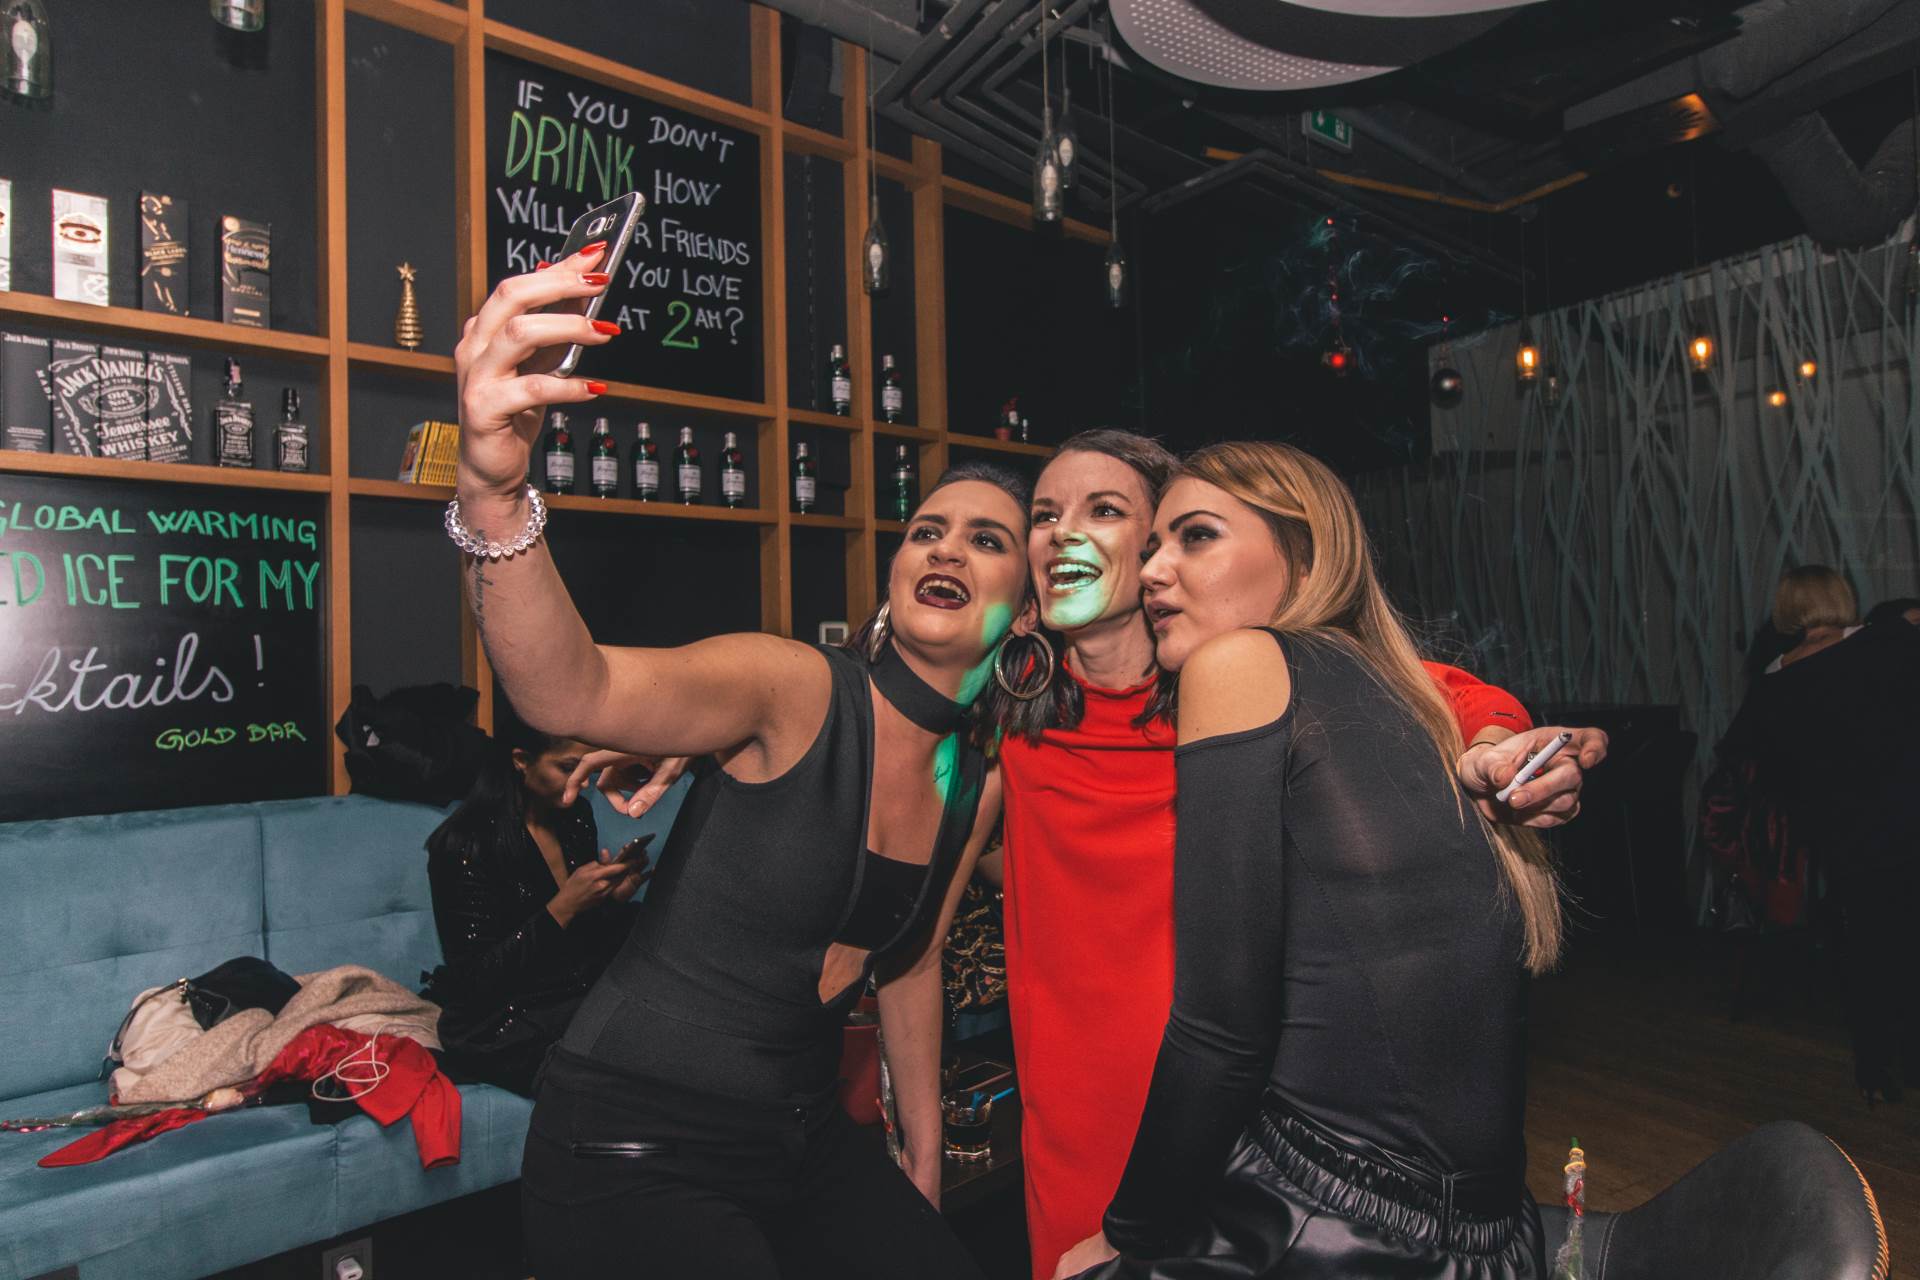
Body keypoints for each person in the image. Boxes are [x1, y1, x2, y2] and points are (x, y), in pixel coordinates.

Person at [452, 242, 1029, 1279]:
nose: (946, 547)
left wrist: (922, 1150)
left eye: (988, 541)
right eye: (927, 530)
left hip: (803, 1137)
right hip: (635, 1140)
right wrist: (493, 492)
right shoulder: (793, 686)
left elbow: (908, 962)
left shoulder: (974, 785)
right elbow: (569, 690)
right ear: (896, 571)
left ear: (1023, 612)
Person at [975, 430, 1601, 1280]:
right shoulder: (1021, 710)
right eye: (1044, 515)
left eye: (1116, 515)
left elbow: (1435, 687)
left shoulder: (1236, 673)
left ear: (1303, 562)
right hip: (1100, 1101)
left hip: (1264, 1146)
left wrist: (1496, 734)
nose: (1067, 534)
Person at [1721, 565, 1920, 1103]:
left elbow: (1743, 757)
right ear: (1841, 597)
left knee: (1869, 948)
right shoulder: (1887, 641)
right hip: (1909, 817)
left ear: (1786, 610)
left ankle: (1874, 1071)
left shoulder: (1772, 682)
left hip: (1844, 834)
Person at [419, 724, 649, 1095]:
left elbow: (579, 940)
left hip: (570, 990)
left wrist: (609, 897)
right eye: (568, 768)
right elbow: (476, 980)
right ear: (522, 761)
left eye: (587, 769)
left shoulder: (575, 817)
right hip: (503, 1020)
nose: (582, 783)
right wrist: (562, 907)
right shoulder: (464, 845)